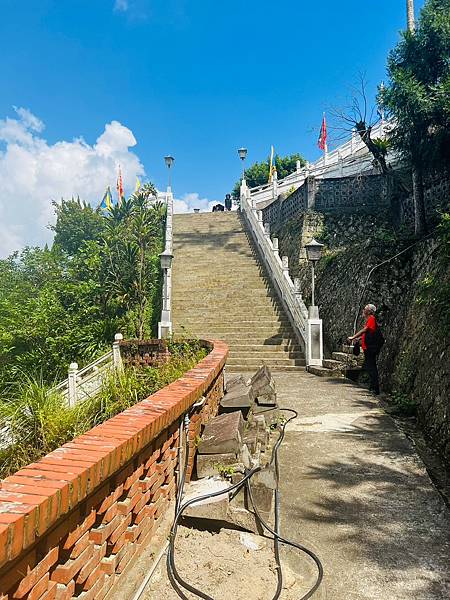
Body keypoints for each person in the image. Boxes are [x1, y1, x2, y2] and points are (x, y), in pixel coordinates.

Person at [347, 304, 381, 395]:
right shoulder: (370, 320)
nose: (363, 310)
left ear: (369, 311)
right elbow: (368, 334)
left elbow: (365, 330)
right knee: (370, 367)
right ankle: (372, 387)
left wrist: (353, 337)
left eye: (365, 309)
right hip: (367, 348)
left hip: (370, 348)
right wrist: (358, 339)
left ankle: (375, 389)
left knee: (371, 368)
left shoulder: (371, 319)